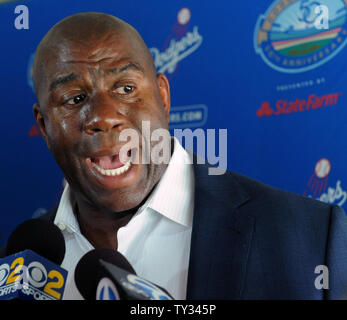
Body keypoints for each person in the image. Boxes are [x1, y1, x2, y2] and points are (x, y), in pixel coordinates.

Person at [1, 12, 347, 300]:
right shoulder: (20, 264)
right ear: (44, 126)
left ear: (163, 99)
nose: (104, 116)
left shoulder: (313, 238)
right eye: (75, 98)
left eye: (125, 88)